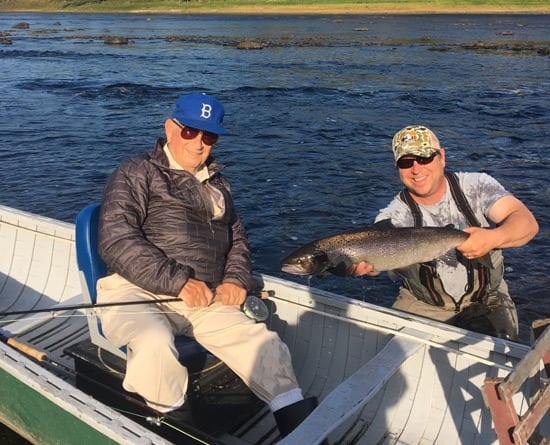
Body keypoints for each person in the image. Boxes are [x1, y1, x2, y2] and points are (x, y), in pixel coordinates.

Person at [96, 92, 317, 437]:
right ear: (171, 128)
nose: (199, 144)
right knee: (154, 344)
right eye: (190, 132)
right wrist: (179, 282)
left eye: (209, 136)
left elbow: (238, 240)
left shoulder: (218, 184)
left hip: (205, 297)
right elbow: (116, 239)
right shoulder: (135, 173)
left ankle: (304, 432)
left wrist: (235, 279)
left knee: (264, 345)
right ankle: (169, 427)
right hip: (134, 289)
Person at [350, 125, 538, 341]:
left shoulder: (477, 186)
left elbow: (527, 223)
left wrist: (492, 238)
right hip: (422, 303)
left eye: (425, 157)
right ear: (397, 168)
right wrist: (367, 267)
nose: (416, 169)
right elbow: (378, 260)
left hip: (488, 299)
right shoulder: (392, 217)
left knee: (499, 365)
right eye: (405, 162)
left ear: (442, 157)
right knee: (393, 359)